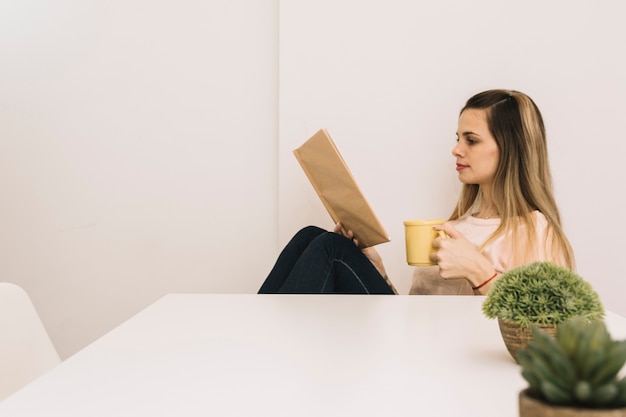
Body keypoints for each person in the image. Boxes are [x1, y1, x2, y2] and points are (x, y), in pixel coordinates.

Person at [258, 89, 574, 296]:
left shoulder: (535, 231)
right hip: (411, 342)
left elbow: (545, 334)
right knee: (309, 236)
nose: (456, 150)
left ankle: (259, 352)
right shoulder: (457, 228)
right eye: (457, 138)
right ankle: (256, 345)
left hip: (451, 361)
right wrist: (375, 269)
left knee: (329, 247)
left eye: (471, 140)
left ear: (511, 149)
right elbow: (415, 316)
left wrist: (480, 272)